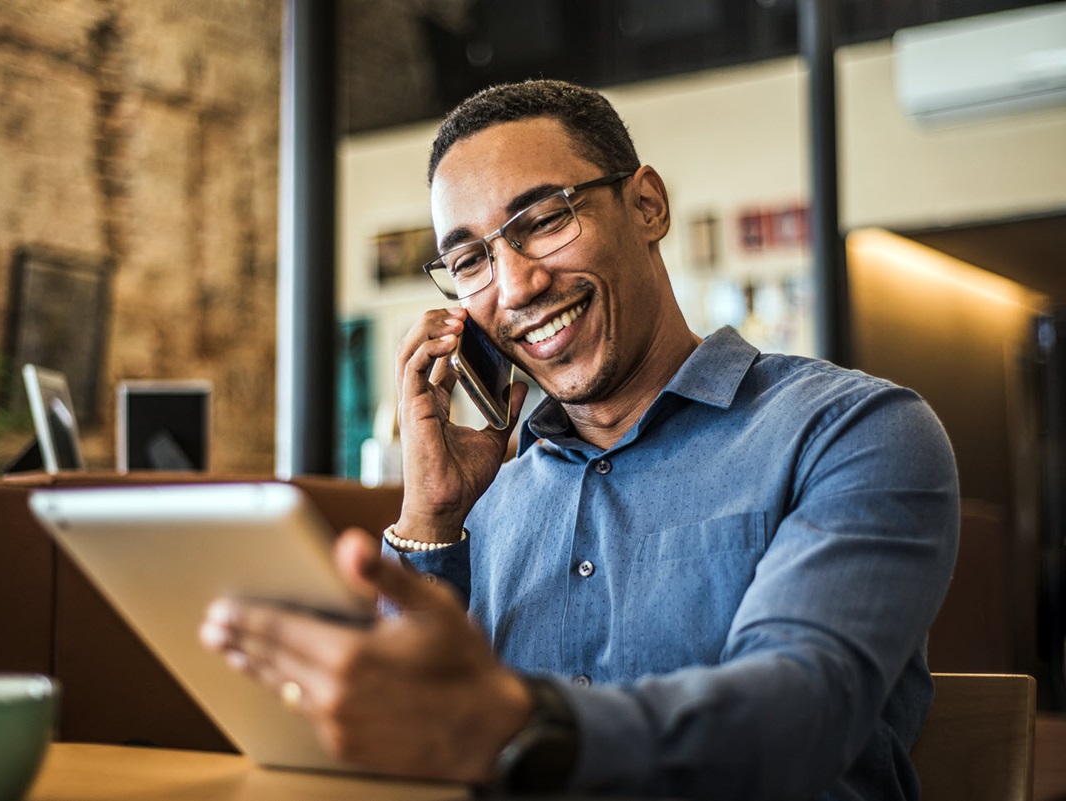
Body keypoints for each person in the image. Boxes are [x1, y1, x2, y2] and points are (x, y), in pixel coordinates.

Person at [200, 79, 959, 800]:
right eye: (472, 260)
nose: (518, 285)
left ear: (648, 205)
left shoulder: (853, 432)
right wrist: (431, 518)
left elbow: (801, 712)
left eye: (543, 221)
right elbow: (405, 741)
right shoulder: (488, 503)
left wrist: (521, 724)